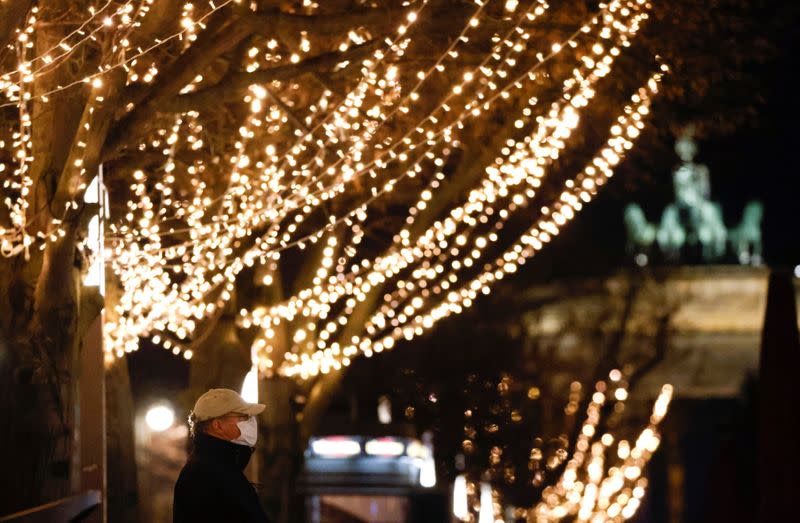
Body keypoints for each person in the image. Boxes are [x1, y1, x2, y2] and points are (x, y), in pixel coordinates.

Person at [173, 388, 270, 523]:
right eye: (243, 417)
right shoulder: (203, 475)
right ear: (218, 425)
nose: (251, 422)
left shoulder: (220, 466)